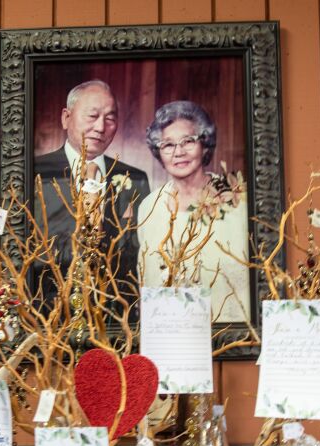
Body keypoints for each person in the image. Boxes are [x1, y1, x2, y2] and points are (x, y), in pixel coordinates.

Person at [33, 80, 150, 309]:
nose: (100, 127)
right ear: (66, 118)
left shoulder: (134, 179)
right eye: (92, 116)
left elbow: (139, 252)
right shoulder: (35, 173)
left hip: (116, 314)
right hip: (50, 314)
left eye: (110, 118)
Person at [137, 100, 250, 324]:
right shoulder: (149, 208)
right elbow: (146, 282)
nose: (178, 152)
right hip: (170, 335)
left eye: (188, 141)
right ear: (158, 152)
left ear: (204, 144)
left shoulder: (238, 201)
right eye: (168, 145)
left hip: (231, 336)